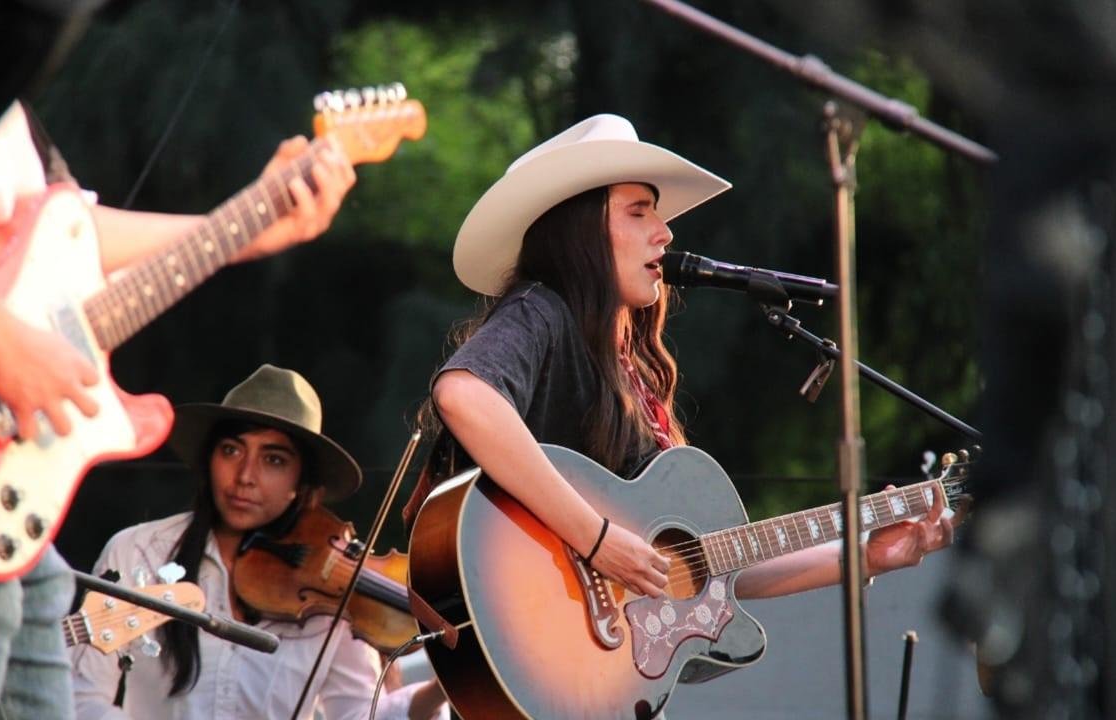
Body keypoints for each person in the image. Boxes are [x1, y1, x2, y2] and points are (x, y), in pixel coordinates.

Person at [0, 93, 355, 719]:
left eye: (273, 460)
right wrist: (3, 341)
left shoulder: (6, 106)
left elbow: (71, 233)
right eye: (232, 450)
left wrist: (245, 225)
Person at [405, 113, 957, 610]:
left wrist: (866, 556)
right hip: (530, 626)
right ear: (581, 233)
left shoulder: (631, 372)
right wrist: (595, 537)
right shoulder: (542, 309)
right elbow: (464, 394)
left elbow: (705, 567)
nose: (664, 232)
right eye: (639, 211)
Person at [71, 364, 448, 720]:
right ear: (209, 460)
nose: (246, 476)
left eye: (274, 460)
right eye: (231, 451)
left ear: (300, 484)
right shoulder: (138, 551)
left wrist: (439, 689)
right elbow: (80, 699)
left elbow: (357, 713)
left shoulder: (334, 595)